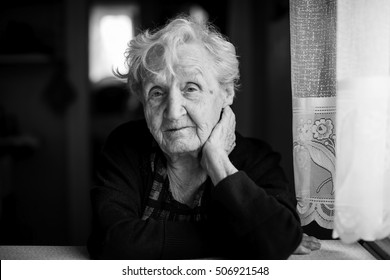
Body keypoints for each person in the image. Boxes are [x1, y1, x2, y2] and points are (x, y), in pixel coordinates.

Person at [87, 16, 320, 259]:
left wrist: (218, 162)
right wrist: (243, 239)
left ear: (226, 93)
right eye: (157, 92)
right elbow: (113, 241)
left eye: (191, 88)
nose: (174, 111)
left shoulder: (256, 160)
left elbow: (279, 239)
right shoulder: (126, 146)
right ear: (143, 100)